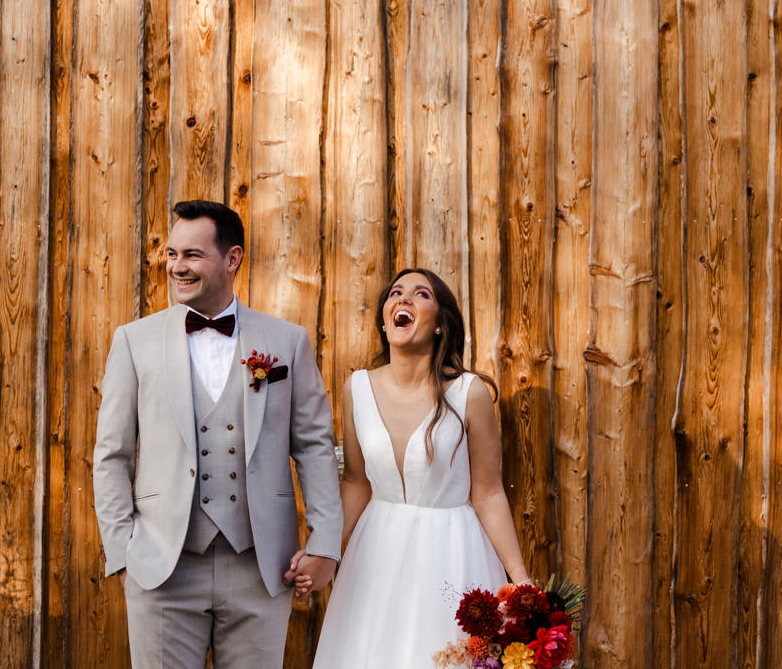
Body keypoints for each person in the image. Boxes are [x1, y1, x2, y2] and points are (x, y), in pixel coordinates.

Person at [91, 200, 343, 669]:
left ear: (232, 259)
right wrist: (123, 550)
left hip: (260, 566)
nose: (176, 267)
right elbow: (112, 456)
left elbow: (313, 446)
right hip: (162, 566)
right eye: (171, 254)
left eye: (191, 255)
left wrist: (325, 541)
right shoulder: (133, 340)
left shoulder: (286, 341)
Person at [304, 267, 530, 668]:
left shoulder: (469, 393)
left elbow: (488, 492)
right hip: (376, 552)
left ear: (441, 324)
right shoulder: (357, 388)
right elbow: (356, 483)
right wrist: (324, 553)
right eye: (396, 293)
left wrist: (520, 580)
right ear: (385, 317)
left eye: (421, 294)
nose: (403, 299)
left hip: (451, 551)